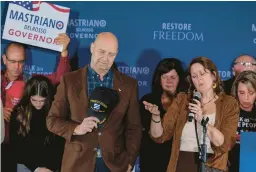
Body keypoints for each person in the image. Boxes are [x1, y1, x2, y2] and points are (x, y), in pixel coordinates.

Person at [46, 32, 142, 172]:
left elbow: (134, 127)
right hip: (77, 164)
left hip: (114, 165)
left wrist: (130, 162)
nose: (105, 58)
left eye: (111, 54)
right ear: (92, 48)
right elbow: (52, 121)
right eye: (101, 52)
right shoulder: (70, 81)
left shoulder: (129, 85)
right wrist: (76, 129)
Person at [143, 56, 239, 172]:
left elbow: (223, 144)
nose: (199, 79)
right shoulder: (182, 100)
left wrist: (202, 120)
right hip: (182, 164)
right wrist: (156, 116)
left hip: (212, 166)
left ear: (213, 75)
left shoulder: (228, 103)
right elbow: (159, 136)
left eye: (202, 74)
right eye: (194, 76)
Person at [1, 33, 70, 172]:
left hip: (23, 151)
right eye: (13, 61)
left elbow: (59, 79)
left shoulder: (31, 82)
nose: (17, 66)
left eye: (21, 61)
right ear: (4, 59)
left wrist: (64, 53)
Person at [139, 58, 188, 172]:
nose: (168, 81)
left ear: (180, 78)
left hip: (179, 162)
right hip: (151, 161)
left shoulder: (187, 102)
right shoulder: (148, 100)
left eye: (173, 77)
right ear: (159, 79)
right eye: (164, 77)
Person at [9, 75, 64, 172]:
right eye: (34, 100)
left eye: (42, 100)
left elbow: (59, 143)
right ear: (28, 96)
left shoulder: (55, 112)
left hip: (50, 165)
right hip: (26, 164)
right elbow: (16, 145)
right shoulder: (18, 113)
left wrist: (51, 167)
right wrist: (36, 168)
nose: (38, 103)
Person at [228, 70, 256, 172]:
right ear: (236, 92)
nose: (246, 98)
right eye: (241, 92)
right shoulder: (228, 112)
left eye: (251, 93)